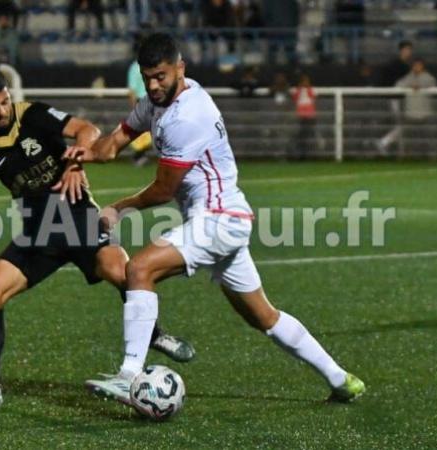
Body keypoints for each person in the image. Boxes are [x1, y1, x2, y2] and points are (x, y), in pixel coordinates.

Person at [62, 33, 365, 404]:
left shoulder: (188, 116)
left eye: (161, 76)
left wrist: (118, 208)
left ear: (180, 69)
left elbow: (162, 190)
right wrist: (83, 155)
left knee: (139, 270)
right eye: (147, 77)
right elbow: (112, 144)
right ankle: (341, 379)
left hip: (219, 219)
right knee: (262, 316)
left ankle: (129, 376)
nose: (154, 85)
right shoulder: (154, 103)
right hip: (221, 219)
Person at [0, 68, 195, 410]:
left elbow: (87, 130)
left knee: (121, 271)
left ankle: (154, 335)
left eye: (5, 101)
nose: (2, 110)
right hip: (39, 233)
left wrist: (75, 162)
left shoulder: (34, 115)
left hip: (78, 217)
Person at [376, 41, 413, 155]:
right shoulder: (395, 65)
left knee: (402, 125)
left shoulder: (406, 66)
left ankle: (398, 149)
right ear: (401, 50)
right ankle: (384, 142)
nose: (408, 52)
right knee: (401, 124)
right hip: (394, 98)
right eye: (406, 49)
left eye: (409, 50)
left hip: (402, 99)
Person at [395, 58, 437, 156]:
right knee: (410, 137)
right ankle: (409, 155)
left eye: (419, 65)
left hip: (425, 114)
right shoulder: (408, 77)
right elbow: (398, 85)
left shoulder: (428, 78)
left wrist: (421, 86)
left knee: (427, 137)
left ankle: (429, 155)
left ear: (422, 66)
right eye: (415, 65)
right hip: (411, 114)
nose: (416, 67)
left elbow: (433, 86)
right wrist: (410, 86)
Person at [127, 31, 152, 167]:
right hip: (142, 101)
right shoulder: (136, 68)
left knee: (147, 131)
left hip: (149, 100)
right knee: (144, 132)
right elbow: (132, 90)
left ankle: (139, 156)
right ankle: (138, 156)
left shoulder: (138, 67)